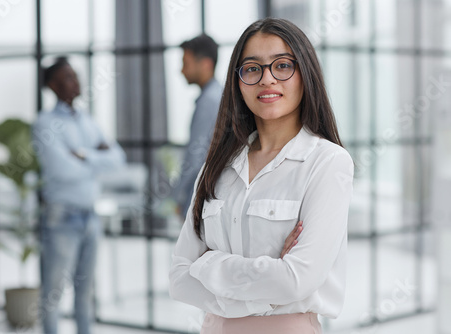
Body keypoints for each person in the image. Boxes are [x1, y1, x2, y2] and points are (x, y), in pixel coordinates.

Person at [169, 18, 354, 334]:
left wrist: (209, 265)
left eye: (282, 66)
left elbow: (297, 281)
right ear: (238, 81)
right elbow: (178, 280)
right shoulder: (216, 167)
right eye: (252, 69)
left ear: (305, 74)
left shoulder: (327, 162)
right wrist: (272, 281)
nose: (267, 79)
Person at [32, 57, 126, 334]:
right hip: (61, 218)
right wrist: (98, 159)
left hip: (90, 217)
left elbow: (118, 159)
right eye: (68, 77)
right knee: (53, 294)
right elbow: (61, 170)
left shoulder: (87, 120)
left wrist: (83, 154)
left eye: (76, 75)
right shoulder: (45, 124)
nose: (76, 82)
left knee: (85, 293)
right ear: (52, 85)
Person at [172, 34, 223, 219]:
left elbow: (194, 157)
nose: (182, 71)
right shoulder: (220, 96)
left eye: (186, 63)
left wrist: (176, 196)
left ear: (206, 64)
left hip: (202, 198)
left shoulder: (208, 102)